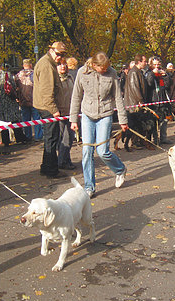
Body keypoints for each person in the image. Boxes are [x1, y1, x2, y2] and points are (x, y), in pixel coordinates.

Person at [70, 52, 128, 198]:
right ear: (94, 65)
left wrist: (123, 120)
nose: (105, 70)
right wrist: (73, 119)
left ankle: (120, 169)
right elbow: (76, 95)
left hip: (105, 114)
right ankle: (89, 187)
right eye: (103, 68)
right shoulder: (82, 73)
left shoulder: (112, 73)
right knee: (87, 152)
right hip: (87, 114)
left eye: (107, 67)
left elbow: (118, 98)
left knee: (102, 151)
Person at [33, 41, 67, 178]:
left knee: (50, 138)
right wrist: (54, 110)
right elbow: (47, 92)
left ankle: (46, 167)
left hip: (45, 106)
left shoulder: (48, 63)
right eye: (59, 54)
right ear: (51, 51)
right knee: (52, 138)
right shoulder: (46, 65)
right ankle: (51, 170)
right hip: (47, 108)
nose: (60, 57)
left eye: (63, 55)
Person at [0, 62, 27, 147]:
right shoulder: (7, 74)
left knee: (2, 121)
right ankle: (19, 138)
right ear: (1, 67)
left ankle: (5, 140)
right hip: (9, 99)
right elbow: (13, 86)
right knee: (14, 119)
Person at [14, 59, 42, 142]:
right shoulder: (34, 74)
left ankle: (28, 136)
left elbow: (16, 88)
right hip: (34, 100)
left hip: (23, 101)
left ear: (23, 65)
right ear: (31, 65)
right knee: (36, 119)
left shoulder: (18, 76)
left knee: (26, 120)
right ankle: (38, 136)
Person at [145, 56, 171, 144]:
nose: (157, 67)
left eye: (158, 64)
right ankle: (153, 140)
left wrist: (166, 76)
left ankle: (163, 138)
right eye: (154, 65)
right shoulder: (148, 72)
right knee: (153, 122)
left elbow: (168, 86)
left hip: (162, 99)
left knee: (164, 121)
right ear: (151, 65)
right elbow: (149, 83)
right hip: (153, 100)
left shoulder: (162, 72)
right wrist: (153, 73)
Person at [57, 58, 76, 170]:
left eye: (64, 64)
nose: (63, 66)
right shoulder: (55, 79)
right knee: (63, 139)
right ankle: (61, 162)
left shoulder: (70, 78)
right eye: (60, 64)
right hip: (59, 113)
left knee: (69, 138)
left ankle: (65, 160)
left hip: (71, 112)